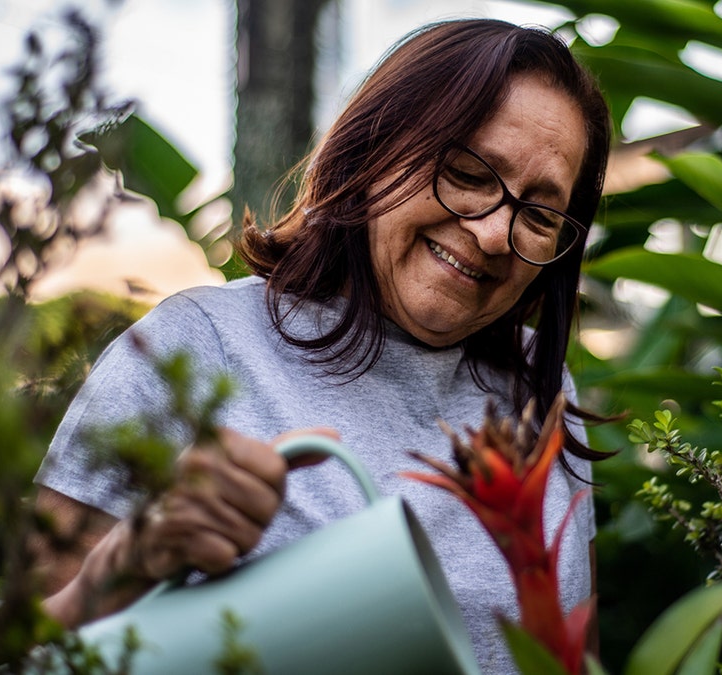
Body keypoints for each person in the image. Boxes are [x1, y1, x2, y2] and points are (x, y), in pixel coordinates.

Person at [31, 17, 613, 673]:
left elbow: (574, 657)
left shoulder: (541, 388)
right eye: (470, 171)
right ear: (376, 147)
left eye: (539, 215)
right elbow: (12, 648)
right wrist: (124, 563)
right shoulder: (194, 346)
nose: (494, 234)